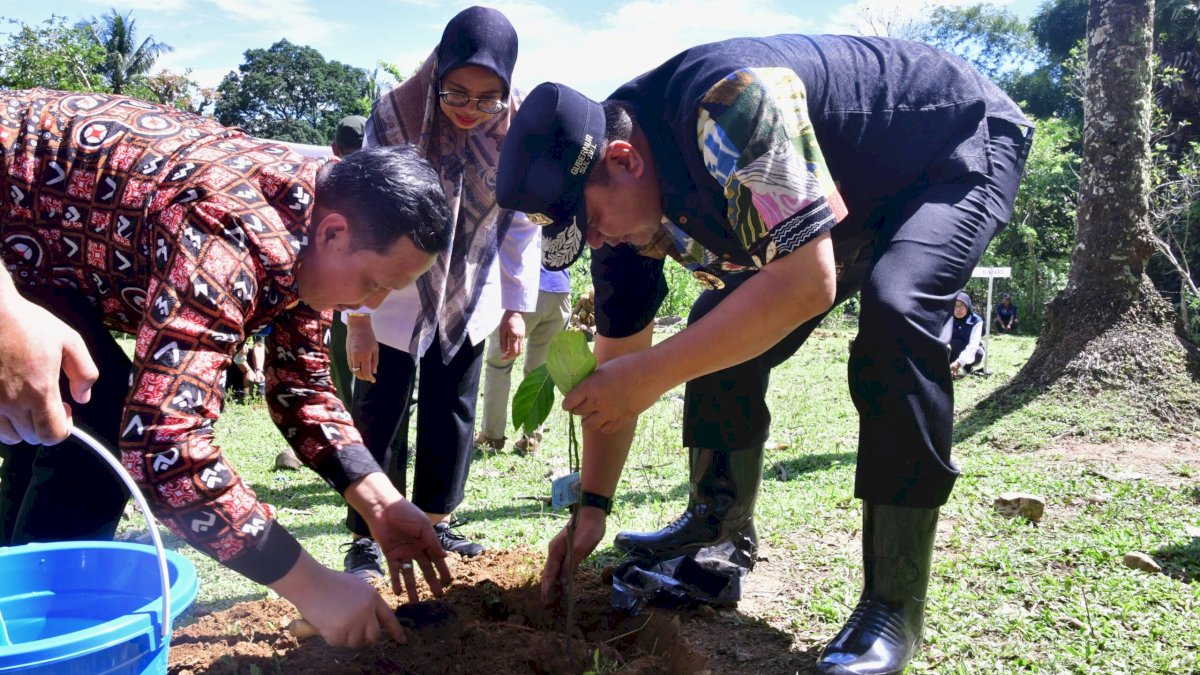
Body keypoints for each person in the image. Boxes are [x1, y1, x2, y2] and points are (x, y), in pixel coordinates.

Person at [497, 35, 1032, 674]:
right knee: (714, 324)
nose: (597, 239)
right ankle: (717, 525)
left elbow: (808, 284)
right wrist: (593, 509)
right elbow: (619, 367)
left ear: (624, 160)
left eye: (588, 221)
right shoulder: (615, 206)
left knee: (898, 315)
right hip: (848, 199)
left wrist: (654, 375)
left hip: (947, 147)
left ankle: (893, 605)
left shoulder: (733, 105)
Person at [0, 88, 454, 648]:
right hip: (12, 227)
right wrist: (315, 587)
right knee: (95, 425)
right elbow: (166, 445)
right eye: (375, 283)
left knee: (69, 413)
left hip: (39, 260)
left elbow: (302, 389)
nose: (373, 305)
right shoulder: (231, 230)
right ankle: (42, 644)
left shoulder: (311, 218)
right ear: (335, 233)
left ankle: (23, 621)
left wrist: (381, 504)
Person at [339, 6, 539, 581]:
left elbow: (521, 222)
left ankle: (436, 518)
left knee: (454, 407)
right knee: (379, 412)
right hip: (390, 296)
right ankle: (366, 537)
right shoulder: (395, 115)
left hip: (471, 290)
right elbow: (365, 216)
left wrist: (518, 307)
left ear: (507, 87)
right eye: (457, 93)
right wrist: (357, 318)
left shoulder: (516, 129)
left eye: (487, 97)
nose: (472, 110)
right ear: (438, 74)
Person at [275, 114, 369, 472]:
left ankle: (347, 447)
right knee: (342, 379)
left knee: (339, 377)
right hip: (331, 300)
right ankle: (346, 446)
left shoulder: (318, 181)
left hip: (331, 301)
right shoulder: (362, 190)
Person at [476, 263, 571, 455]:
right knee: (541, 372)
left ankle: (492, 436)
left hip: (522, 293)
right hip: (561, 292)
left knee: (498, 366)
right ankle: (532, 439)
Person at [948, 291, 986, 377]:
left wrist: (959, 362)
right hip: (953, 349)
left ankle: (966, 368)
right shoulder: (948, 318)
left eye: (962, 306)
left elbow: (973, 345)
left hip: (970, 351)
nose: (959, 309)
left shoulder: (976, 321)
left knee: (978, 353)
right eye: (956, 306)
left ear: (967, 307)